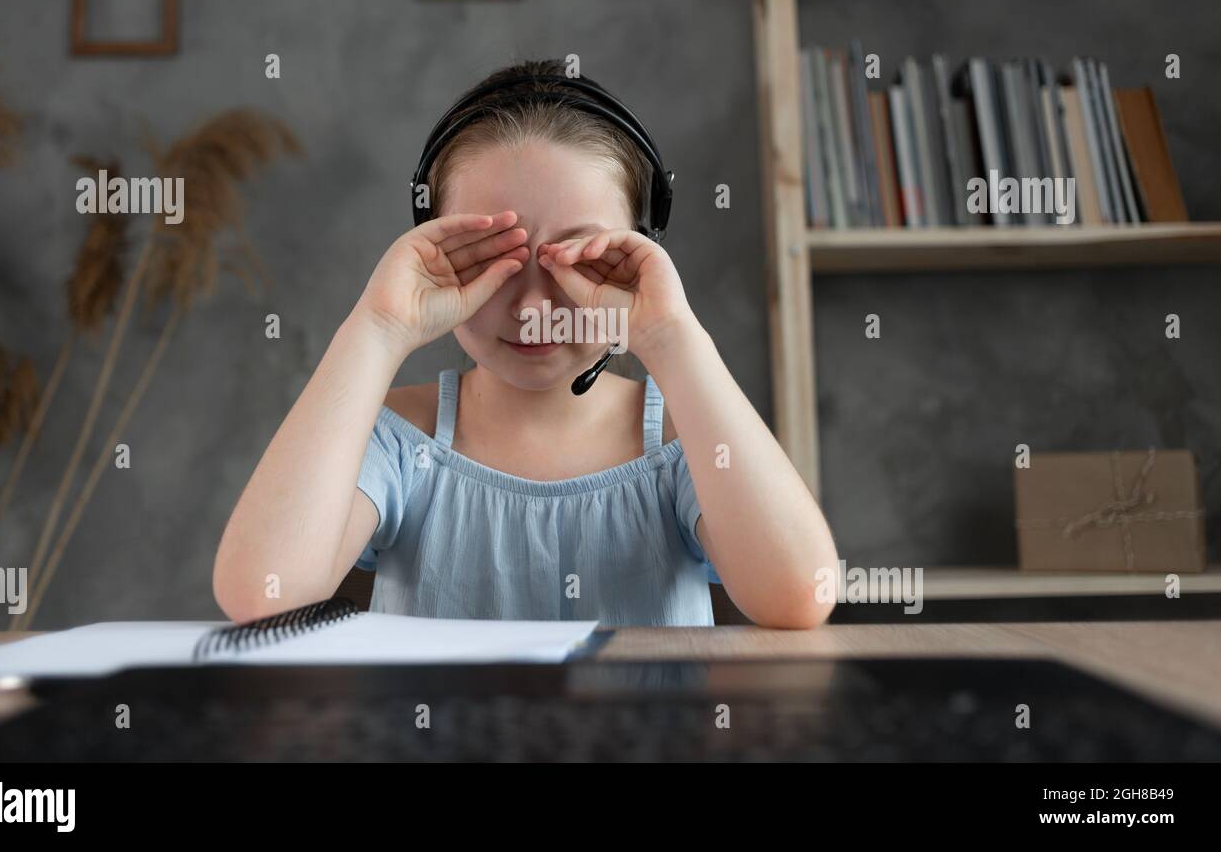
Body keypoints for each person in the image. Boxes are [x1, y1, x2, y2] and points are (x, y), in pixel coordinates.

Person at [213, 59, 837, 627]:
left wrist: (673, 338)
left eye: (581, 258)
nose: (535, 308)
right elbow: (262, 595)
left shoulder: (686, 442)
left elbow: (798, 593)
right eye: (493, 259)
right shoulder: (402, 441)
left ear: (646, 251)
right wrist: (376, 329)